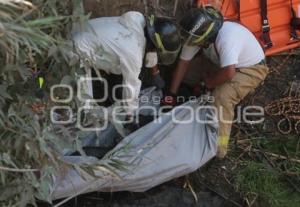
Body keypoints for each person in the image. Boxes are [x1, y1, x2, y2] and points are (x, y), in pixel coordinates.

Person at [163, 7, 269, 158]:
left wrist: (209, 84)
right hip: (221, 62)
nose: (190, 43)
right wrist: (171, 94)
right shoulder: (195, 36)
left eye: (194, 41)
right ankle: (197, 96)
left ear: (205, 36)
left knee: (221, 97)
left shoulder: (227, 38)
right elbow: (183, 64)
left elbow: (229, 73)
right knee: (187, 74)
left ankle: (219, 148)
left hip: (250, 68)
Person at [72, 11, 181, 119]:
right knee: (87, 109)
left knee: (120, 66)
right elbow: (131, 86)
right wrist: (131, 114)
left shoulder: (138, 22)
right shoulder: (133, 53)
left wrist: (155, 74)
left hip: (76, 31)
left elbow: (151, 48)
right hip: (75, 51)